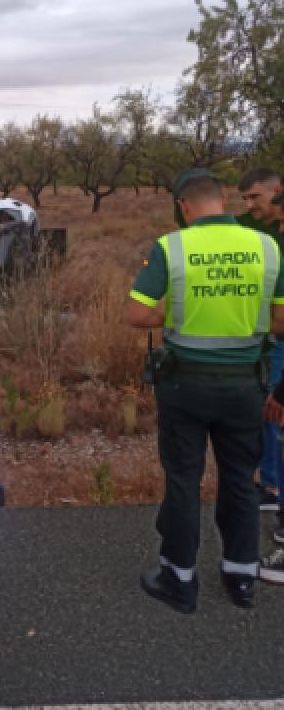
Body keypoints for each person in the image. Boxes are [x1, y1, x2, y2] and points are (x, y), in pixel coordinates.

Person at [128, 168, 284, 612]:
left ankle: (179, 580)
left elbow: (137, 315)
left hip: (185, 384)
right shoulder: (266, 246)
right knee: (239, 479)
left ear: (184, 206)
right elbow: (282, 320)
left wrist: (178, 316)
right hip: (245, 386)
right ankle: (241, 577)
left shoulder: (173, 246)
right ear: (221, 201)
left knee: (183, 479)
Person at [236, 167, 284, 512]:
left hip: (279, 334)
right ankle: (270, 481)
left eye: (256, 196)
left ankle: (274, 488)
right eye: (245, 199)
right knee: (266, 408)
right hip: (265, 335)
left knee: (275, 407)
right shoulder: (248, 227)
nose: (250, 204)